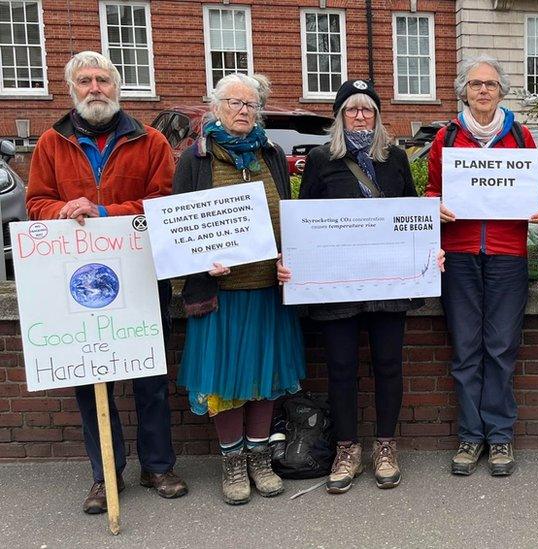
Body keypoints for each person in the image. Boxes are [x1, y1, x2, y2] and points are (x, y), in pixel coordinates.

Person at [25, 51, 187, 514]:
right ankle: (106, 474)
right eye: (85, 81)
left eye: (103, 80)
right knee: (89, 380)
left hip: (138, 277)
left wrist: (100, 213)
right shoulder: (51, 144)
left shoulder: (151, 141)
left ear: (117, 88)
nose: (95, 88)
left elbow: (162, 203)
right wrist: (62, 210)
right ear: (71, 90)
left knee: (150, 377)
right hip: (76, 281)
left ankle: (158, 465)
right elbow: (36, 202)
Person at [287, 79, 444, 494]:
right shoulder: (322, 160)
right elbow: (305, 221)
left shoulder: (393, 159)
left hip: (388, 282)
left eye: (368, 109)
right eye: (352, 109)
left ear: (377, 116)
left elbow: (414, 213)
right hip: (338, 285)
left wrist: (430, 254)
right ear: (340, 116)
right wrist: (294, 261)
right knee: (341, 368)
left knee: (389, 365)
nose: (361, 116)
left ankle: (386, 445)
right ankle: (347, 448)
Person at [174, 73, 305, 505]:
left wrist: (291, 258)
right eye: (233, 102)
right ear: (216, 107)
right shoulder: (195, 159)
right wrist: (197, 262)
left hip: (267, 289)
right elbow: (179, 230)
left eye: (250, 105)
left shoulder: (270, 153)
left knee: (265, 378)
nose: (243, 111)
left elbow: (286, 214)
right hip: (220, 295)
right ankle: (232, 464)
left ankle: (259, 458)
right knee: (226, 381)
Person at [425, 54, 538, 477]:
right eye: (476, 84)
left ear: (501, 92)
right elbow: (430, 192)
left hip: (507, 256)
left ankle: (499, 437)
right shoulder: (446, 137)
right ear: (464, 91)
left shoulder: (521, 135)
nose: (483, 90)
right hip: (459, 255)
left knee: (500, 349)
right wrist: (433, 208)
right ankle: (469, 436)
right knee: (464, 349)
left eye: (491, 85)